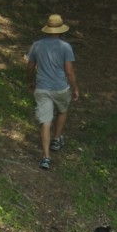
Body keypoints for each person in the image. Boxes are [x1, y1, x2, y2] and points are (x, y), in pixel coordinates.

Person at [26, 14, 79, 171]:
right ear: (61, 30)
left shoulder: (37, 45)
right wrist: (75, 87)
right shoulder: (65, 47)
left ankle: (46, 157)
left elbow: (29, 67)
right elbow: (69, 71)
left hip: (42, 88)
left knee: (45, 121)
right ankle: (56, 139)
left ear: (47, 30)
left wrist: (30, 81)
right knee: (62, 110)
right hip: (61, 88)